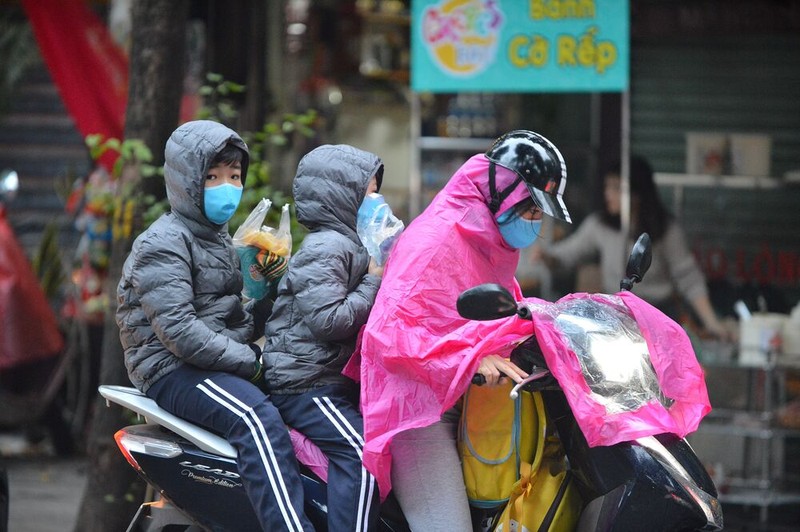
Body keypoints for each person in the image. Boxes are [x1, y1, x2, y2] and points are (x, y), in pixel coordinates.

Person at [350, 130, 572, 530]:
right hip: (418, 410)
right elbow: (387, 335)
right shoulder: (436, 240)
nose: (535, 223)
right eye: (532, 210)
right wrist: (467, 358)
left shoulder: (491, 241)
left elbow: (501, 312)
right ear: (503, 194)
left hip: (472, 401)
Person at [116, 120, 313, 532]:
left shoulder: (218, 238)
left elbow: (236, 322)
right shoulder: (163, 242)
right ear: (187, 180)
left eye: (234, 176)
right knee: (254, 417)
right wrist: (253, 362)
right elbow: (181, 333)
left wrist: (268, 288)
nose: (227, 185)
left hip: (208, 363)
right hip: (171, 370)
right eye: (212, 176)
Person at [263, 144, 384, 531]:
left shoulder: (351, 245)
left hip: (323, 380)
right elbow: (330, 321)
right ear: (341, 196)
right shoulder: (327, 247)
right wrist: (374, 281)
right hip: (305, 384)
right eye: (370, 192)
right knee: (365, 453)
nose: (379, 200)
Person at [533, 155, 729, 339]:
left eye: (616, 188)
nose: (608, 194)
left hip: (658, 316)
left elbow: (688, 278)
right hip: (615, 317)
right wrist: (548, 256)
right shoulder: (600, 225)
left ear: (637, 194)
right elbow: (570, 252)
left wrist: (711, 322)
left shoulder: (665, 229)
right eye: (607, 187)